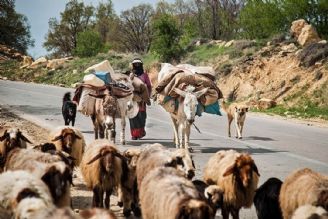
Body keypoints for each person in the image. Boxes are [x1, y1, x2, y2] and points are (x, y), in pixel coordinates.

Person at [129, 58, 152, 140]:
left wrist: (148, 96)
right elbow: (127, 85)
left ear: (141, 65)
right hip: (132, 98)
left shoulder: (145, 75)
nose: (137, 65)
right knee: (132, 117)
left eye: (139, 64)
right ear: (133, 65)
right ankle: (134, 134)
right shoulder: (130, 75)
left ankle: (141, 132)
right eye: (135, 64)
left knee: (141, 116)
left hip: (142, 99)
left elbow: (149, 86)